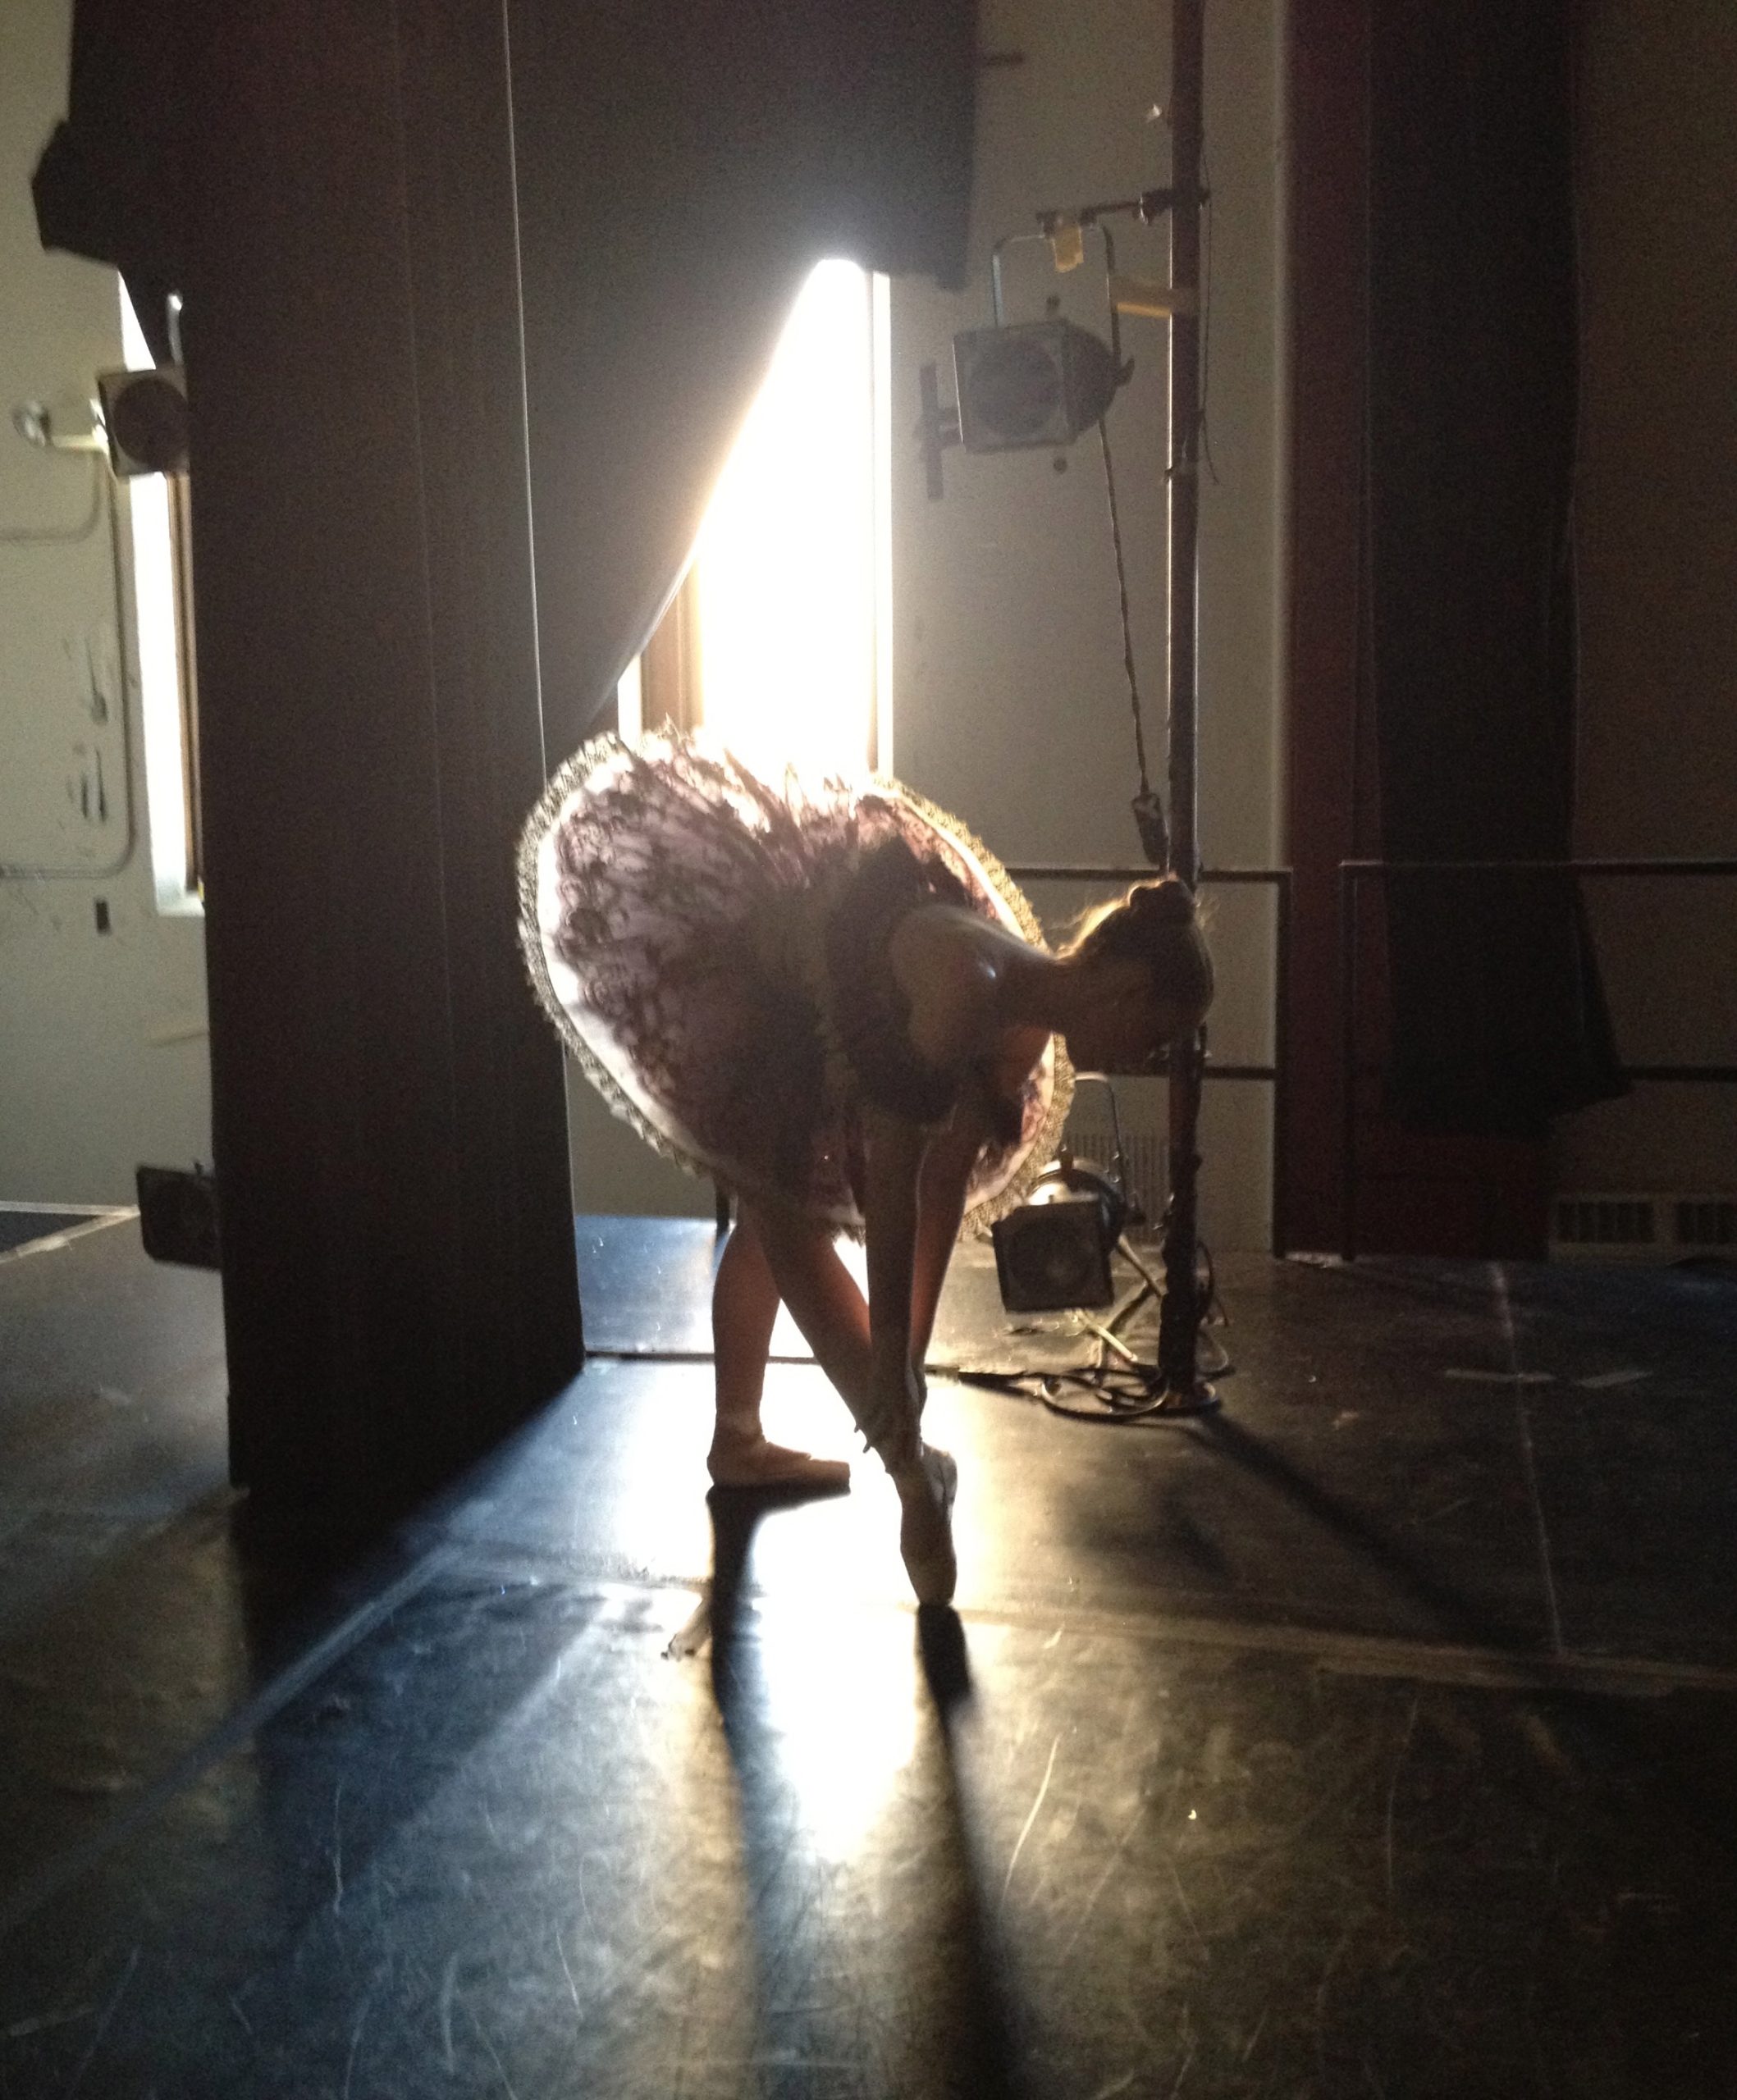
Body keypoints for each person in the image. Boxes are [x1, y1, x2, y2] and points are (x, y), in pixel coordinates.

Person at [519, 728, 1213, 1606]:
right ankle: (911, 1482)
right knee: (783, 1213)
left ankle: (754, 1438)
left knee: (784, 1218)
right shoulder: (971, 986)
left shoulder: (1025, 1027)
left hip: (853, 1003)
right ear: (1123, 988)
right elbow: (891, 1180)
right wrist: (887, 1375)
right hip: (767, 972)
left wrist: (910, 1357)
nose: (1144, 1059)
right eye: (1150, 1036)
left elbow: (939, 1187)